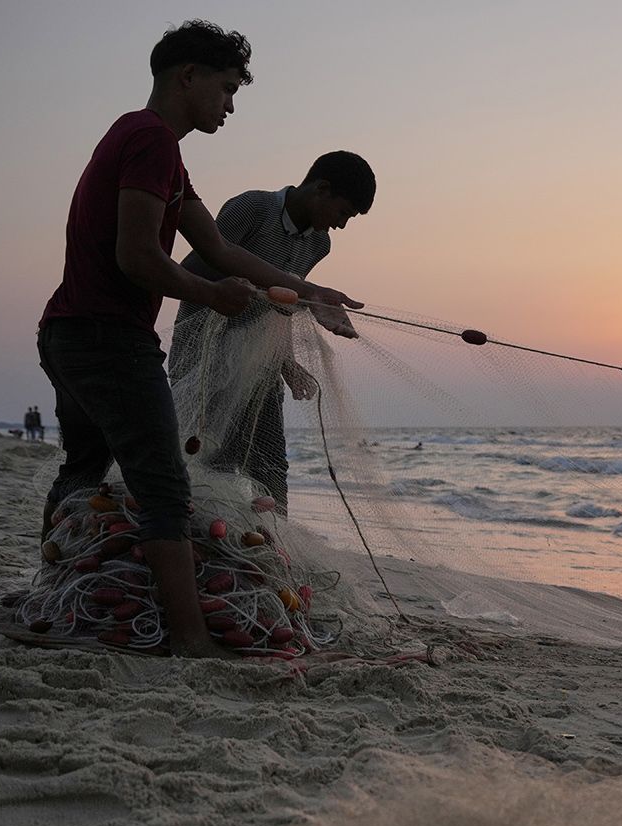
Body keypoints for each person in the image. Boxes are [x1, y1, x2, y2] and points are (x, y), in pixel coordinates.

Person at [35, 20, 362, 658]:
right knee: (165, 487)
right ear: (188, 76)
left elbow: (218, 246)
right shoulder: (151, 140)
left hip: (71, 331)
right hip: (108, 337)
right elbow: (137, 257)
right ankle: (190, 638)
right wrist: (211, 294)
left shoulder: (155, 148)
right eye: (227, 88)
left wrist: (313, 294)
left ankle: (51, 584)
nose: (231, 105)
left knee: (81, 467)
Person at [169, 151, 377, 511]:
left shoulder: (318, 244)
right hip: (203, 350)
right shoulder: (251, 208)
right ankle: (193, 533)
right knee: (200, 449)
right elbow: (195, 270)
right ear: (322, 188)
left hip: (258, 361)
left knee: (268, 458)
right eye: (343, 212)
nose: (341, 225)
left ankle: (273, 546)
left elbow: (280, 307)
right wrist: (243, 286)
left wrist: (287, 363)